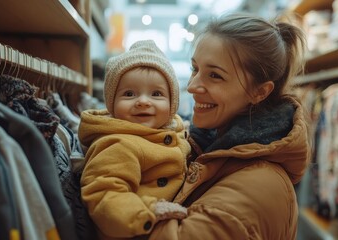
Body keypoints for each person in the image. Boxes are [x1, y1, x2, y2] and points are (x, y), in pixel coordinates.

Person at [147, 12, 311, 240]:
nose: (192, 86)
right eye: (195, 69)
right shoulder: (203, 147)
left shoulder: (258, 187)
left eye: (214, 75)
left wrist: (123, 207)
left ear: (259, 92)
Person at [78, 40, 191, 239]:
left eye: (156, 94)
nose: (143, 101)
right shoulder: (118, 143)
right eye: (129, 94)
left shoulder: (171, 133)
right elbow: (103, 194)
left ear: (172, 104)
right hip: (136, 228)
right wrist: (146, 211)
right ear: (112, 103)